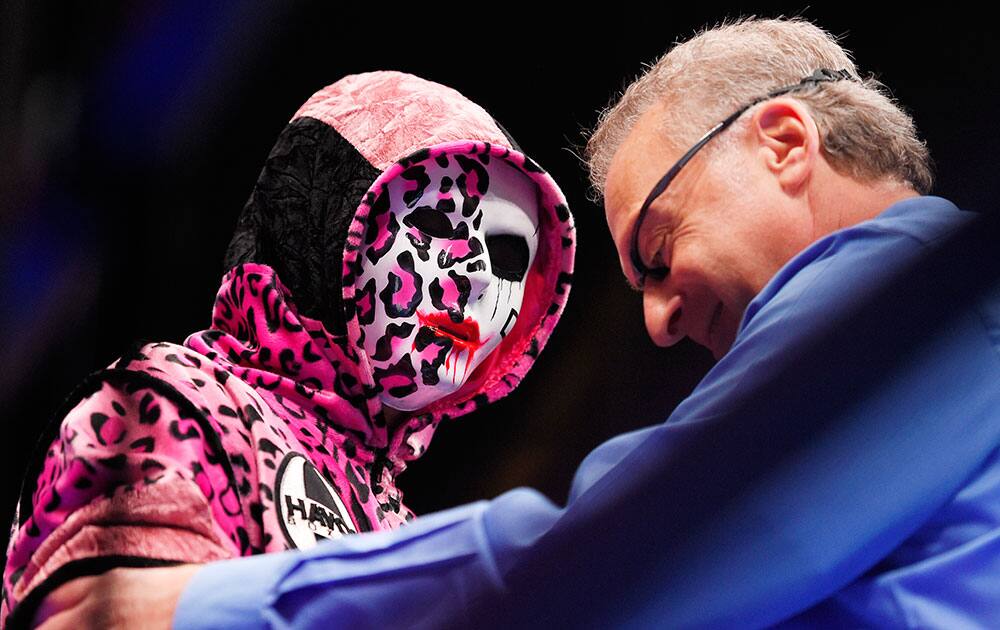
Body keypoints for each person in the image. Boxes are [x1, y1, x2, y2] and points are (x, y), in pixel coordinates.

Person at [22, 16, 1000, 628]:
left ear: (784, 144)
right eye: (441, 235)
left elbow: (639, 538)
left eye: (656, 251)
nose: (658, 322)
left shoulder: (921, 304)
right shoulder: (176, 398)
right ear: (328, 212)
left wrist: (211, 608)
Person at [0, 71, 576, 629]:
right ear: (328, 217)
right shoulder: (168, 402)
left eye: (507, 256)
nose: (474, 277)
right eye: (432, 220)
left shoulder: (396, 522)